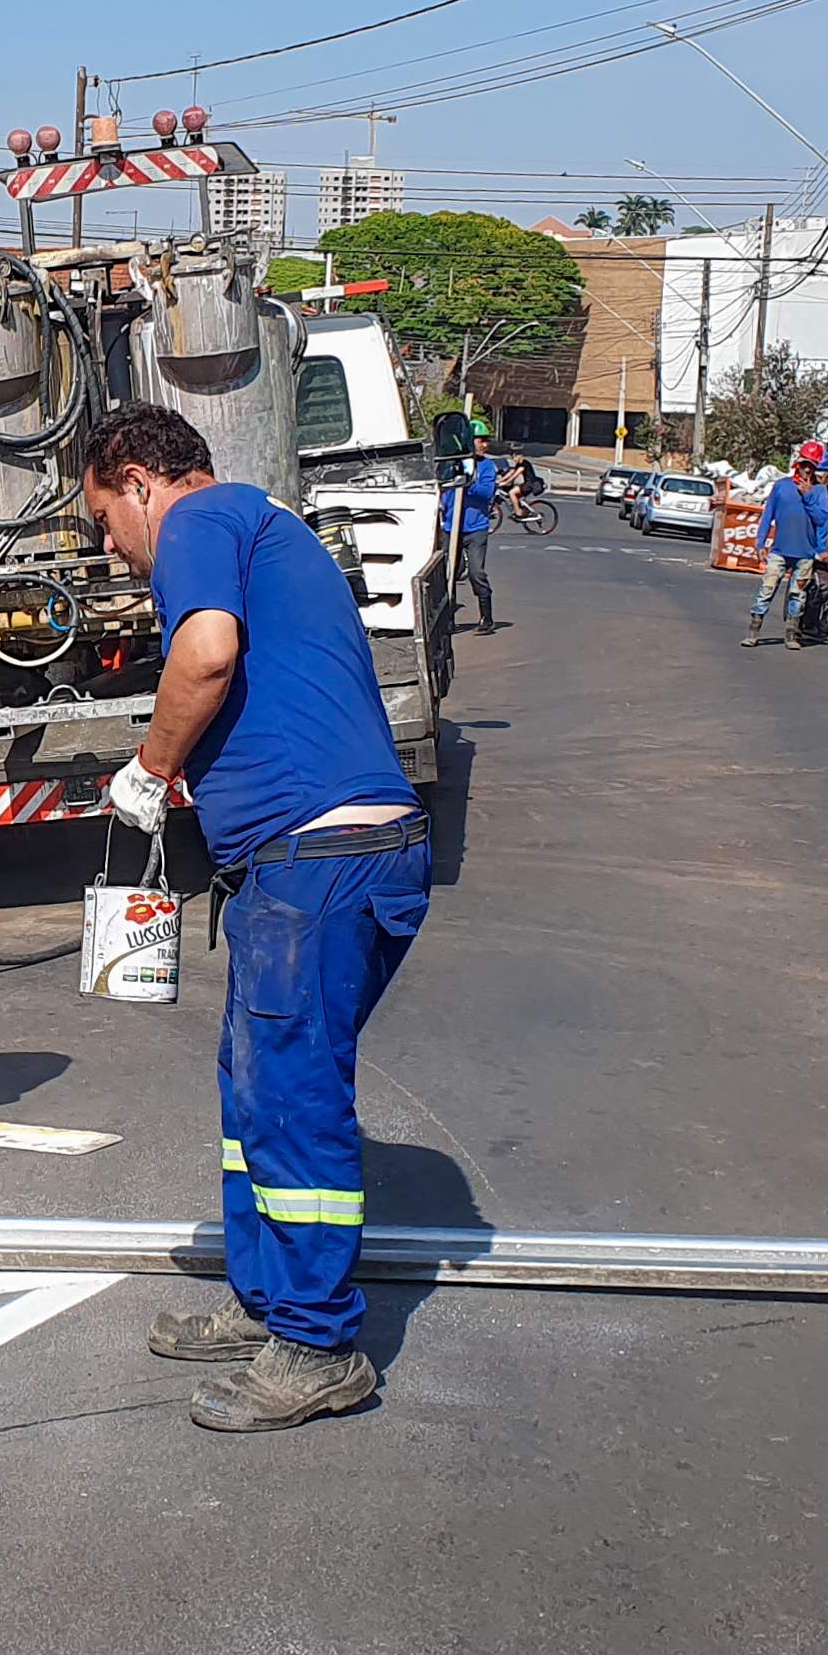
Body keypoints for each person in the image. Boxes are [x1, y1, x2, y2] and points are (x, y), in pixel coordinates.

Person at [86, 403, 427, 1432]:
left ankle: (320, 1345)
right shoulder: (257, 528)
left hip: (318, 862)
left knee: (290, 1096)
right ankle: (270, 1303)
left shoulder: (198, 523)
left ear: (140, 480)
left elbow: (203, 655)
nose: (109, 545)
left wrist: (151, 769)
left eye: (105, 517)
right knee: (253, 1090)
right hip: (320, 863)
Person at [747, 442, 828, 647]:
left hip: (805, 552)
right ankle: (754, 630)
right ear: (797, 464)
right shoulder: (782, 486)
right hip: (780, 550)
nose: (806, 470)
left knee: (798, 595)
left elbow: (821, 520)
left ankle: (791, 634)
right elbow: (768, 515)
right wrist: (760, 543)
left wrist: (808, 496)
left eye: (811, 467)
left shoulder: (819, 491)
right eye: (804, 465)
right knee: (767, 590)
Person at [442, 440, 501, 633]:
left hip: (476, 528)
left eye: (486, 441)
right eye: (480, 440)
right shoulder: (452, 463)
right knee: (448, 574)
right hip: (452, 528)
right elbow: (442, 488)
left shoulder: (486, 466)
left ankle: (487, 617)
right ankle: (447, 618)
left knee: (477, 573)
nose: (484, 444)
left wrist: (468, 483)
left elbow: (487, 492)